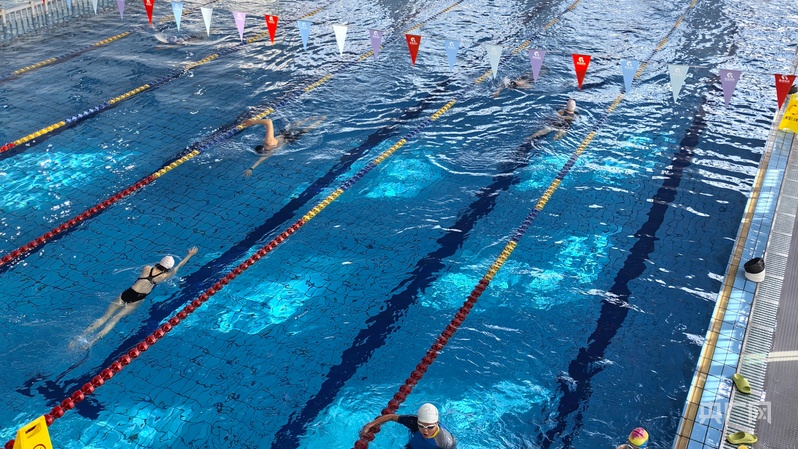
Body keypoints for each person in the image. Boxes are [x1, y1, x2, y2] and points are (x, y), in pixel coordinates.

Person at [72, 247, 198, 349]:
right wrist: (189, 255)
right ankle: (92, 341)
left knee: (105, 317)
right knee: (116, 318)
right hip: (138, 298)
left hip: (127, 293)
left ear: (160, 262)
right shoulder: (164, 276)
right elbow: (179, 266)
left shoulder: (147, 268)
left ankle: (79, 337)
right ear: (168, 268)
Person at [241, 116, 326, 177]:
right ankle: (320, 120)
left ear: (265, 147)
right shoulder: (269, 151)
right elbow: (261, 160)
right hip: (289, 139)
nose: (267, 152)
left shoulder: (269, 142)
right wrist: (251, 169)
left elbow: (269, 121)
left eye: (266, 150)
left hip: (285, 135)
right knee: (304, 130)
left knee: (295, 125)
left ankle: (313, 118)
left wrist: (252, 122)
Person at [359, 403, 457, 449]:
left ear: (437, 423)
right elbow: (391, 417)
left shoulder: (446, 442)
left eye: (430, 427)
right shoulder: (413, 422)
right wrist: (369, 425)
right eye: (421, 426)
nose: (425, 431)